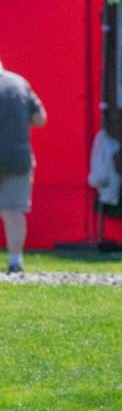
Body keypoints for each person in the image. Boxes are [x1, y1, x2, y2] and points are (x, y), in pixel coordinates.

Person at [0, 59, 47, 274]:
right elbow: (39, 118)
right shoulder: (20, 83)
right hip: (18, 157)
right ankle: (15, 261)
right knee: (14, 211)